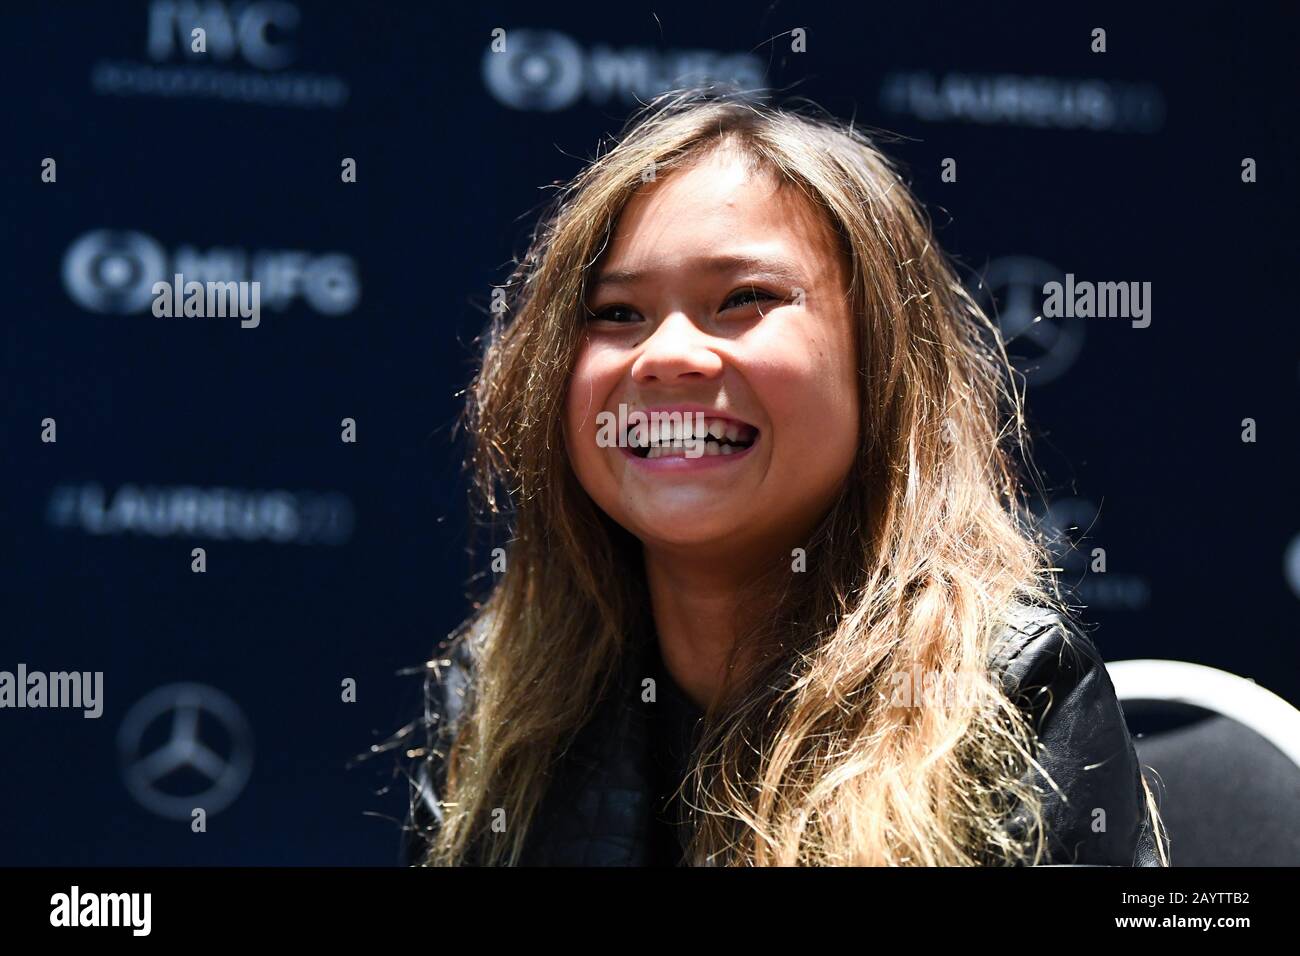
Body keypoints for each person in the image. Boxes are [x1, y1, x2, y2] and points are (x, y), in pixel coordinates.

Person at [400, 87, 1168, 867]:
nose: (665, 355)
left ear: (882, 367)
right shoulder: (493, 696)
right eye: (616, 313)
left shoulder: (1008, 688)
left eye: (745, 299)